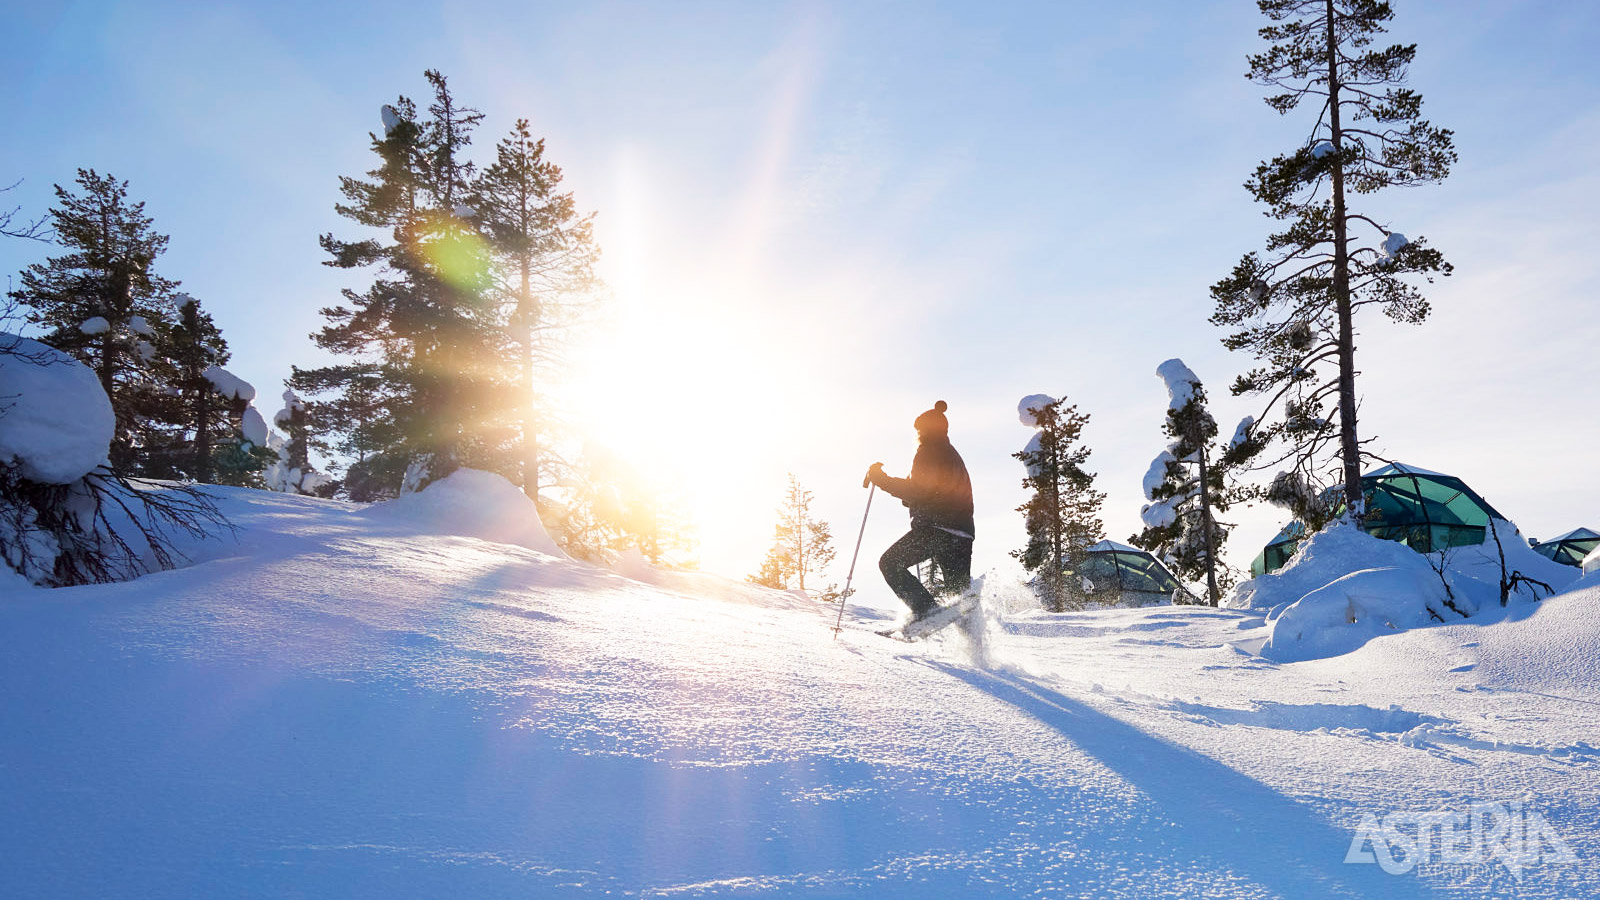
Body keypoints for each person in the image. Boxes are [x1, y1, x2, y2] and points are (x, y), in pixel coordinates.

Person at [865, 400, 974, 620]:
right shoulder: (951, 454)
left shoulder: (929, 451)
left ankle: (926, 610)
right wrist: (914, 500)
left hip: (937, 530)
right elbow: (935, 491)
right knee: (959, 600)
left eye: (918, 430)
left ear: (924, 430)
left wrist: (880, 478)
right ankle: (974, 644)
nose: (917, 434)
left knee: (890, 563)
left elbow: (917, 490)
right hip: (962, 535)